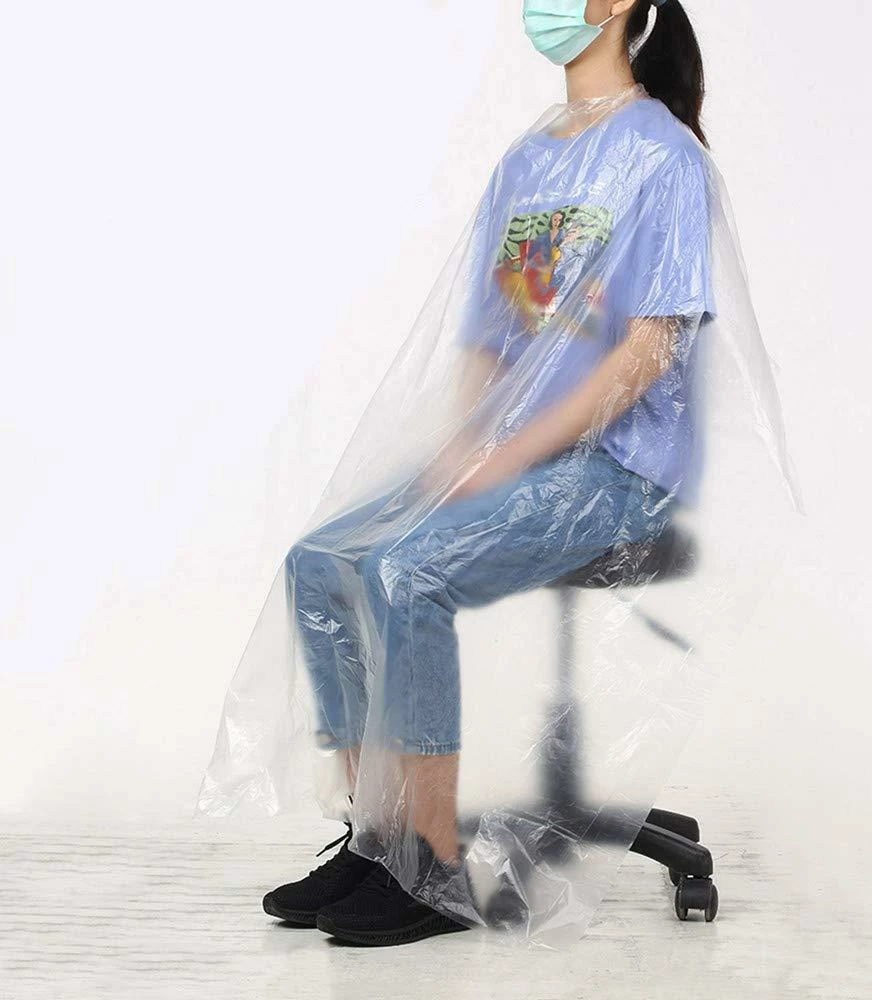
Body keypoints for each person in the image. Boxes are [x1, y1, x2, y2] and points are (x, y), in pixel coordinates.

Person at [261, 0, 714, 946]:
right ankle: (378, 837)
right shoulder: (529, 162)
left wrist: (509, 453)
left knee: (407, 570)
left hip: (617, 468)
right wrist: (466, 444)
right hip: (514, 447)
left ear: (618, 7)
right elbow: (492, 338)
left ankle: (430, 871)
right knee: (321, 561)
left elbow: (646, 353)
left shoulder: (665, 157)